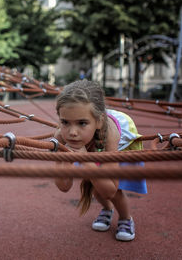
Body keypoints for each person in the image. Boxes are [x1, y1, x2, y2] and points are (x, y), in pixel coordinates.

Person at [54, 80, 147, 242]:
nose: (72, 132)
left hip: (121, 142)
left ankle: (126, 218)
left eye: (82, 123)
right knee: (96, 187)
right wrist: (65, 160)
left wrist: (85, 161)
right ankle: (107, 209)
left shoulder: (111, 135)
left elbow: (111, 190)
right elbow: (63, 187)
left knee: (113, 191)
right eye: (65, 122)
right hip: (91, 143)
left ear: (99, 122)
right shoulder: (61, 137)